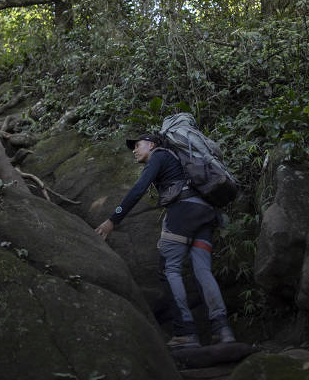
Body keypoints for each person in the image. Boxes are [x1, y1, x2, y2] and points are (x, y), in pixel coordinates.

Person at [95, 133, 236, 349]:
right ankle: (222, 329)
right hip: (205, 213)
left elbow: (138, 188)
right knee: (202, 271)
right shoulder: (178, 158)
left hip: (183, 213)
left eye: (137, 145)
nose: (134, 150)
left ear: (151, 145)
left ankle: (186, 332)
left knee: (169, 269)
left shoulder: (158, 156)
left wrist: (113, 220)